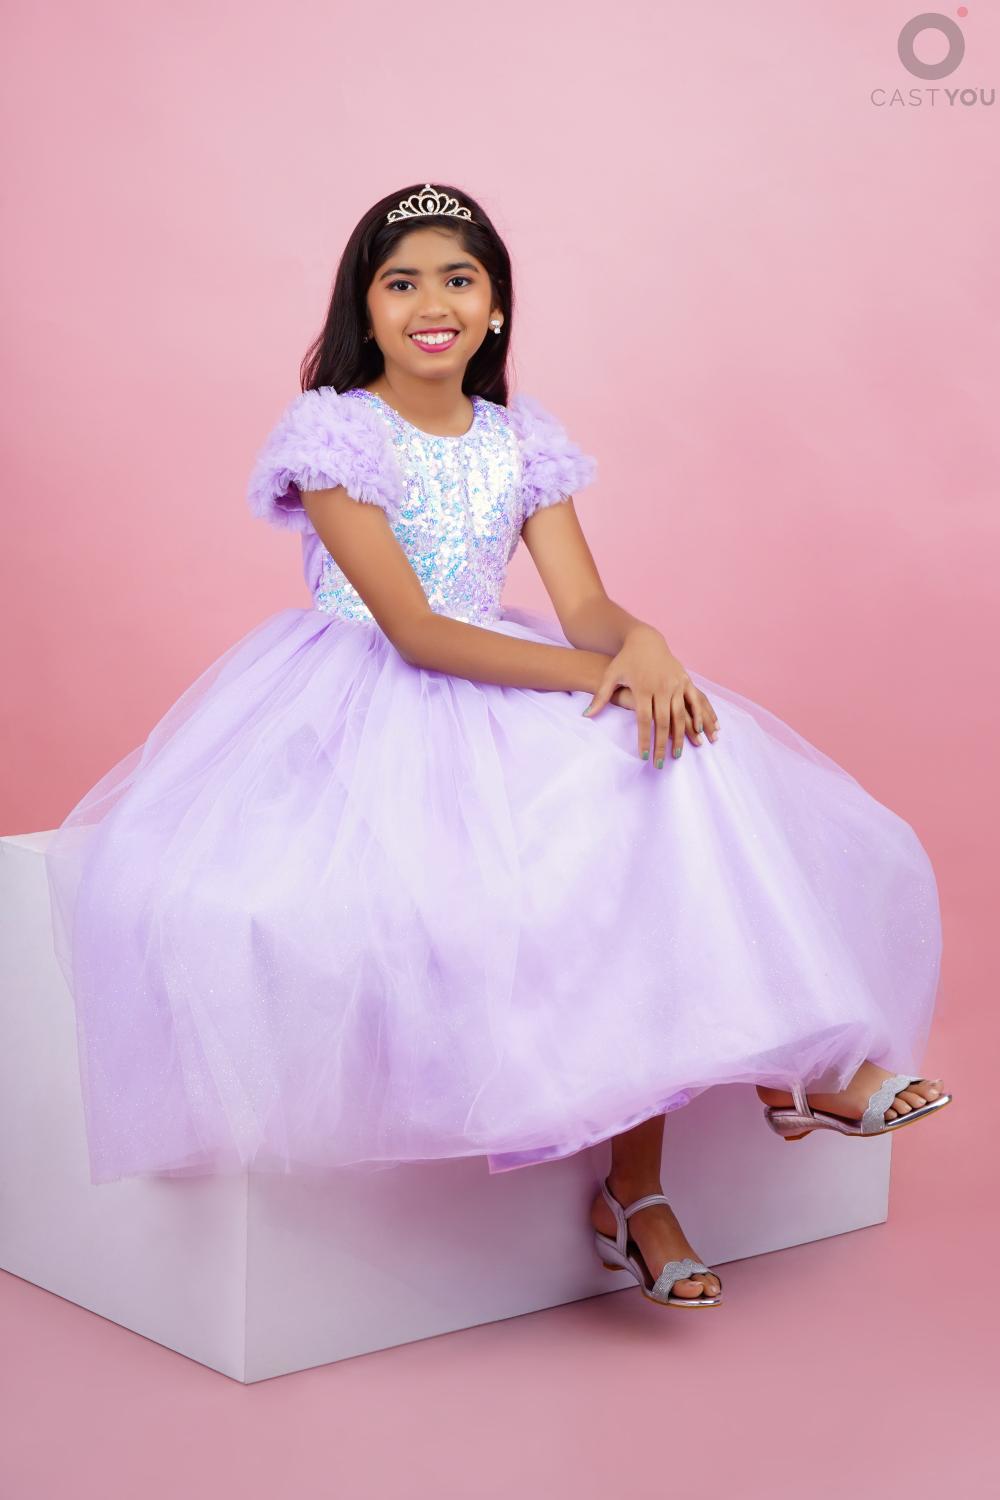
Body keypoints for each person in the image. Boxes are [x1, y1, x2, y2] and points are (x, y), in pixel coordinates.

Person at [44, 181, 951, 1312]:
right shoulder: (336, 434)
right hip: (368, 695)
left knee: (675, 760)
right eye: (401, 283)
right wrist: (603, 678)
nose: (433, 305)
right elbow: (417, 632)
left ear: (497, 306)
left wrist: (645, 645)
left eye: (459, 280)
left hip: (510, 673)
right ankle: (750, 1109)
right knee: (606, 791)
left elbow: (583, 608)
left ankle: (724, 1122)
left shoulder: (519, 443)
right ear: (365, 309)